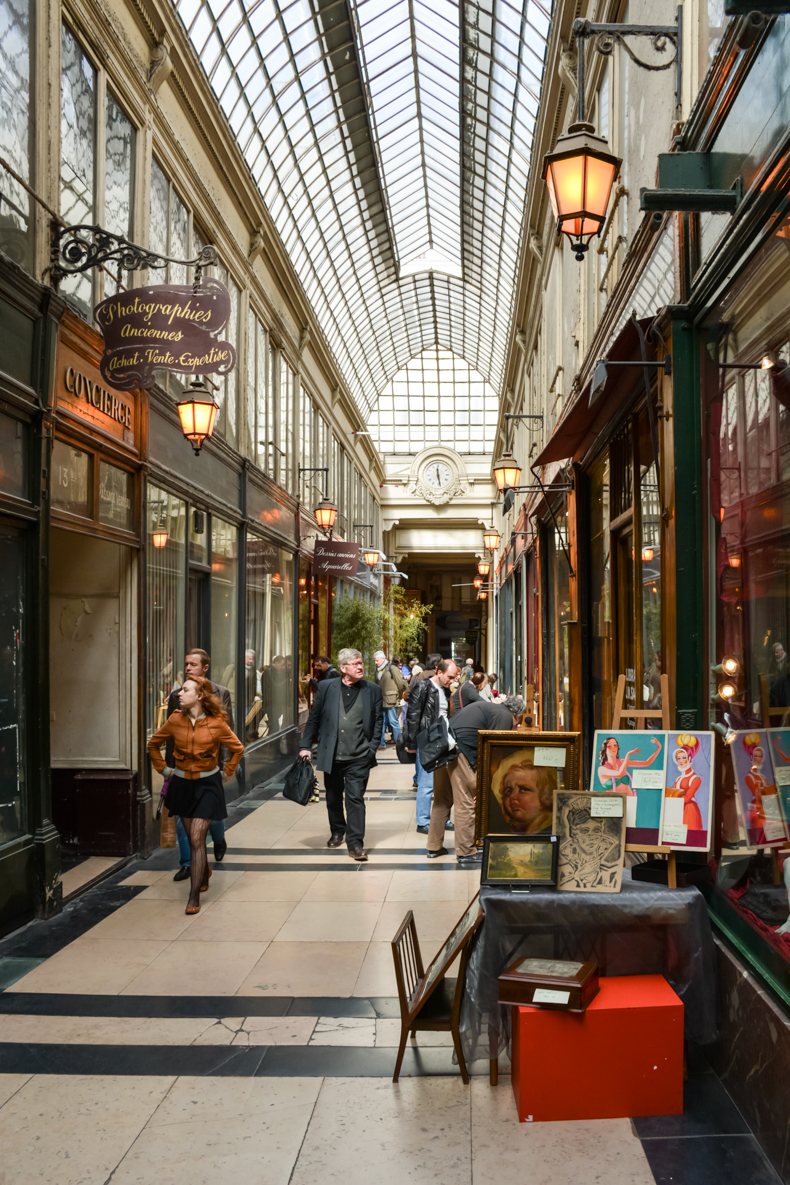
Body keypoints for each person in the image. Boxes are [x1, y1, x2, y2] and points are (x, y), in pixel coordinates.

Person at [147, 676, 244, 914]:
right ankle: (204, 871)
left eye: (185, 690)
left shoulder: (216, 723)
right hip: (181, 783)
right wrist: (164, 770)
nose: (179, 693)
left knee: (198, 837)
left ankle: (193, 897)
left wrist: (227, 772)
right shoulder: (174, 720)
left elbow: (237, 749)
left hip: (208, 785)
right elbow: (153, 745)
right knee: (193, 838)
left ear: (199, 695)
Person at [298, 647, 383, 861]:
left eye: (361, 662)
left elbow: (378, 721)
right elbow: (314, 718)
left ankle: (356, 844)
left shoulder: (372, 690)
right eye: (355, 664)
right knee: (333, 797)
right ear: (344, 668)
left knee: (355, 799)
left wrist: (371, 747)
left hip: (359, 756)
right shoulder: (326, 687)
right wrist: (305, 745)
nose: (361, 666)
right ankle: (337, 830)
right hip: (332, 754)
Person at [427, 694, 524, 865]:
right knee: (465, 801)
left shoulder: (491, 708)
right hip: (459, 750)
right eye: (519, 720)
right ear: (517, 714)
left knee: (442, 800)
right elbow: (496, 750)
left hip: (444, 745)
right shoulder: (504, 716)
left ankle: (434, 846)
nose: (517, 724)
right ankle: (465, 852)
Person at [166, 650, 234, 882]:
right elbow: (170, 735)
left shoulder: (220, 693)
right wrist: (169, 768)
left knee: (210, 815)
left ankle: (219, 838)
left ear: (204, 668)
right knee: (183, 817)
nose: (187, 668)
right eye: (185, 664)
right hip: (183, 767)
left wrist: (225, 767)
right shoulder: (177, 696)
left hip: (210, 767)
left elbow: (227, 732)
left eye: (193, 664)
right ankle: (187, 863)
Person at [404, 657, 459, 832]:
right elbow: (413, 715)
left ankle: (442, 818)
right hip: (428, 739)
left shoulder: (445, 690)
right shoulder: (424, 686)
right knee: (426, 782)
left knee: (443, 783)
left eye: (454, 677)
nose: (452, 680)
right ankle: (423, 821)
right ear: (439, 671)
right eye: (449, 677)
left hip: (443, 738)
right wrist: (412, 742)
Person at [491, 751, 556, 834]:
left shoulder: (552, 833)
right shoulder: (505, 833)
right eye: (508, 791)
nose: (512, 796)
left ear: (546, 794)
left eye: (523, 789)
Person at [596, 734, 663, 794]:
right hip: (614, 804)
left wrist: (659, 748)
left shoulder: (622, 762)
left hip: (630, 800)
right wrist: (628, 755)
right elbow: (619, 773)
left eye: (615, 745)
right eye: (609, 746)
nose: (613, 748)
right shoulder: (601, 769)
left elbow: (646, 763)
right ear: (604, 750)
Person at [665, 734, 704, 832]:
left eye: (684, 757)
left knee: (689, 837)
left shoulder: (695, 778)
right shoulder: (678, 778)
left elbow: (687, 797)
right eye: (679, 758)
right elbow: (671, 794)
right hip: (677, 809)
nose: (681, 761)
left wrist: (673, 796)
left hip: (689, 811)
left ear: (690, 758)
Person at [373, 649, 407, 747]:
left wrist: (398, 695)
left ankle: (398, 743)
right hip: (381, 698)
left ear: (383, 659)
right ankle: (381, 743)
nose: (375, 662)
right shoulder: (378, 670)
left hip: (390, 698)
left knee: (393, 721)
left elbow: (400, 683)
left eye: (377, 660)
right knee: (382, 721)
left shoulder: (391, 668)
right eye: (375, 660)